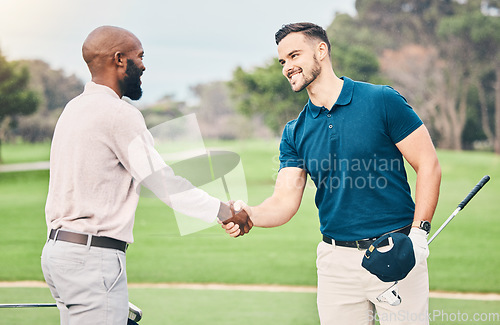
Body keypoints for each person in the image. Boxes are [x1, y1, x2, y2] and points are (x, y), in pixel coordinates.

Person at [224, 22, 441, 325]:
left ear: (321, 51)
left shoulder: (381, 100)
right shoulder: (295, 132)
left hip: (396, 251)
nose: (287, 67)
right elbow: (284, 201)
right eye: (282, 61)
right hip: (335, 263)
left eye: (294, 55)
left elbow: (428, 164)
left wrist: (418, 234)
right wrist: (251, 214)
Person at [41, 25, 251, 325]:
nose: (143, 65)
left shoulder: (73, 109)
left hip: (58, 254)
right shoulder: (119, 114)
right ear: (119, 60)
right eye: (139, 57)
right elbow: (162, 181)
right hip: (92, 258)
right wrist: (224, 212)